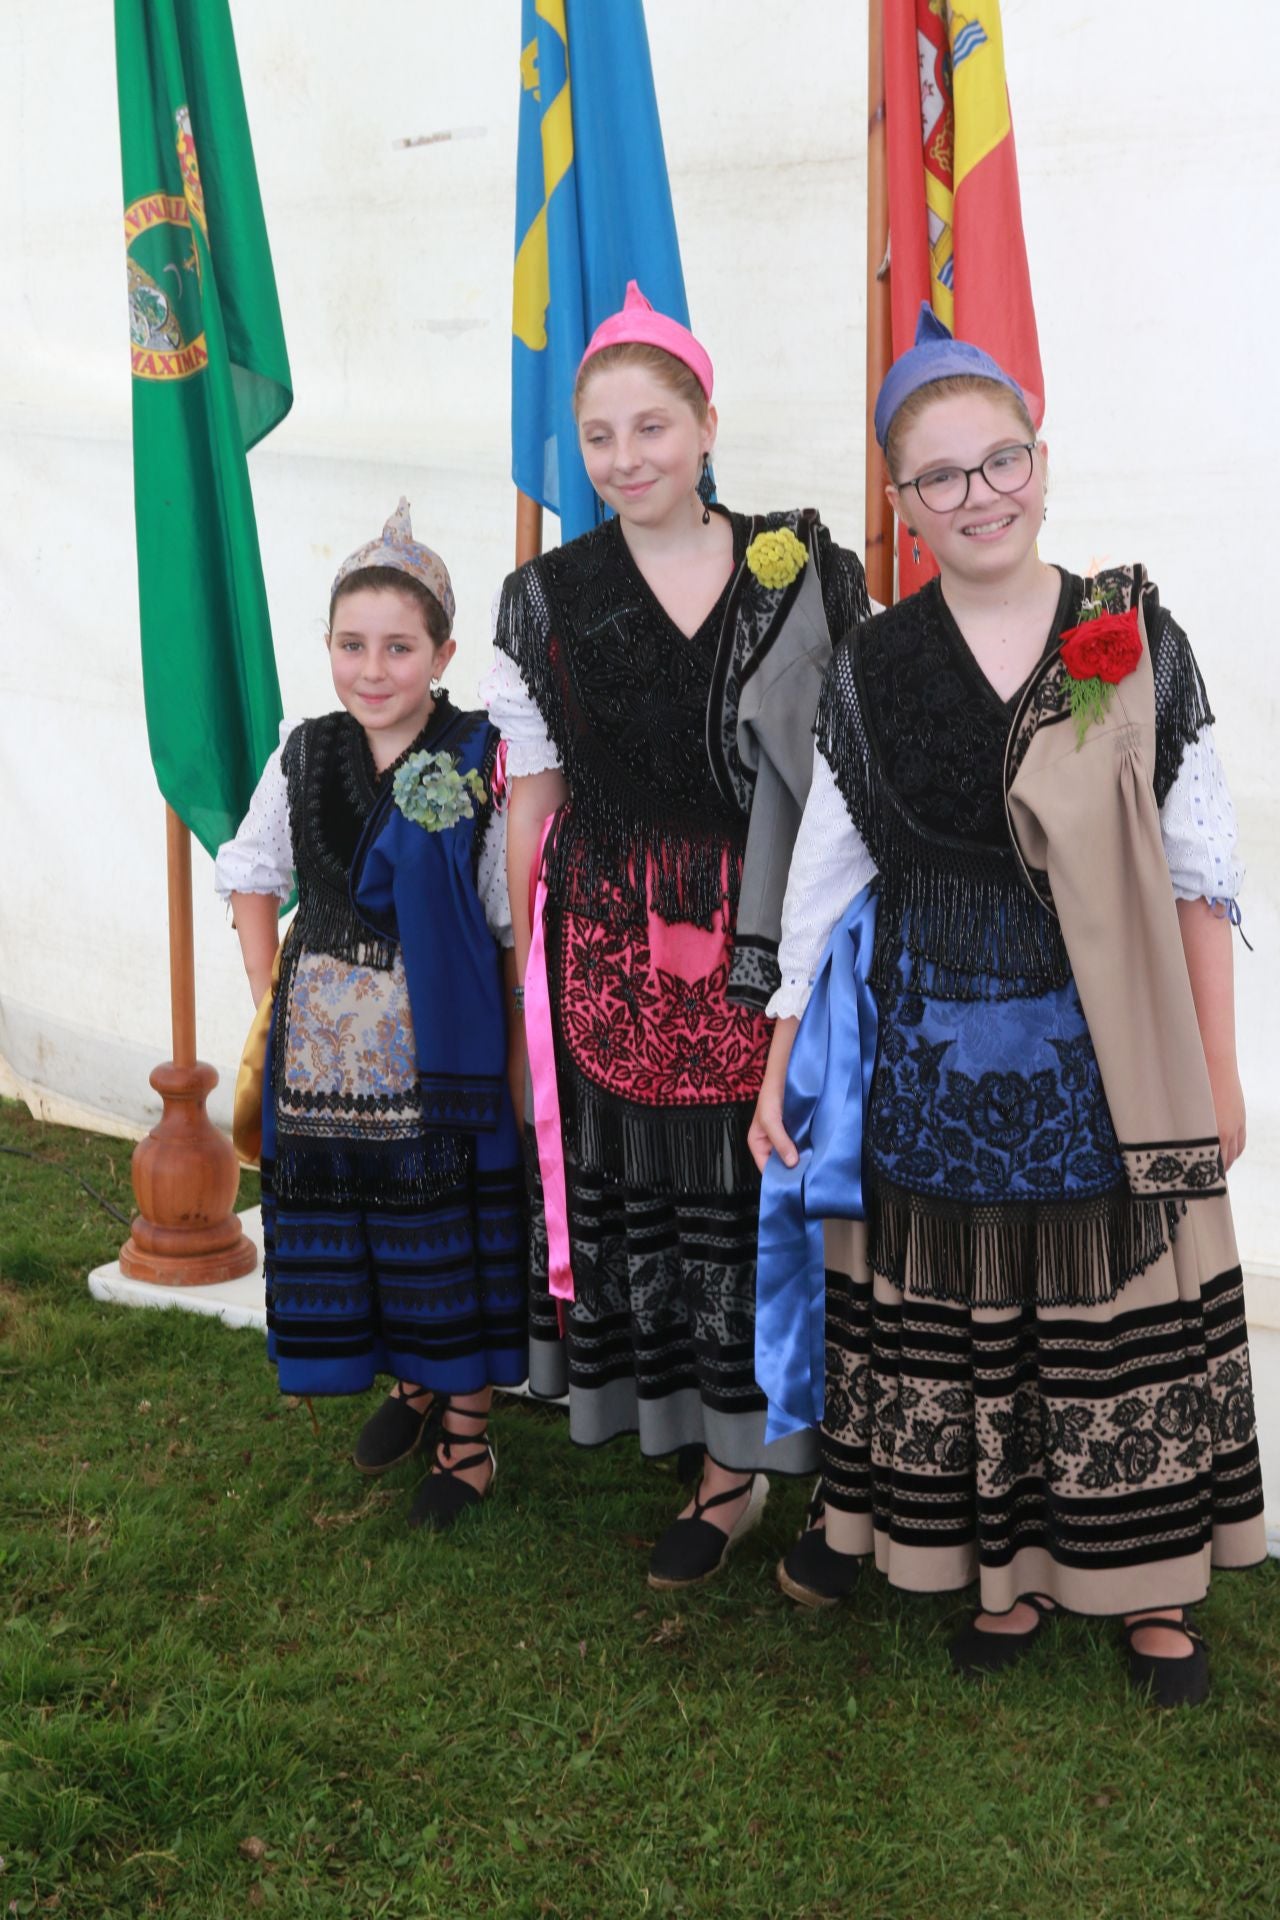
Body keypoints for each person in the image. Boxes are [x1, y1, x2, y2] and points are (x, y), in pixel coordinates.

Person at [750, 309, 1265, 1705]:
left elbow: (1202, 869)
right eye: (942, 477)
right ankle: (1010, 1574)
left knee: (1119, 1317)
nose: (981, 496)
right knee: (977, 1320)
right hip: (933, 1045)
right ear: (901, 504)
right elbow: (828, 870)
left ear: (1042, 463)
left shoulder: (1130, 635)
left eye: (1004, 461)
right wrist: (783, 1053)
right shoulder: (873, 665)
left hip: (1115, 1044)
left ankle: (1152, 1589)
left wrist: (1219, 1070)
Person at [488, 283, 871, 1589]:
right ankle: (714, 1461)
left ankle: (828, 1469)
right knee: (662, 1206)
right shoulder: (543, 597)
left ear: (708, 426)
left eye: (654, 427)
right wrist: (514, 973)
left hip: (774, 922)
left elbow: (845, 768)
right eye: (601, 436)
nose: (627, 459)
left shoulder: (798, 567)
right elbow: (532, 798)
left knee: (777, 1190)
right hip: (611, 938)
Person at [214, 501, 526, 1531]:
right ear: (328, 648)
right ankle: (407, 1379)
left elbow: (503, 911)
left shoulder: (481, 756)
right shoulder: (305, 753)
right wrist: (276, 995)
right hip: (325, 1060)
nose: (372, 668)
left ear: (442, 652)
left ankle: (466, 1428)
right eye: (352, 645)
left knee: (445, 1224)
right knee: (361, 1224)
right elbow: (252, 873)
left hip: (439, 1048)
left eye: (398, 646)